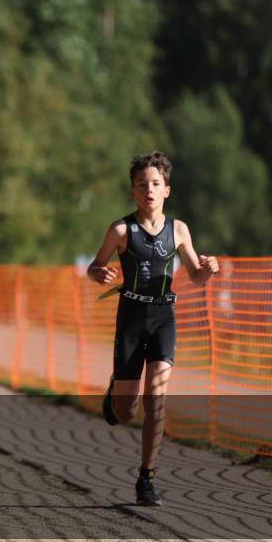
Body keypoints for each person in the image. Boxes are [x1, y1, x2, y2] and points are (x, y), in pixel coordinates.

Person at [87, 151, 219, 506]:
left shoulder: (179, 230)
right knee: (127, 411)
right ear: (133, 191)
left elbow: (196, 275)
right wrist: (99, 274)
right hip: (130, 318)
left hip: (163, 318)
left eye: (155, 184)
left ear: (167, 191)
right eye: (142, 184)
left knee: (156, 399)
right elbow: (94, 267)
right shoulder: (120, 230)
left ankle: (147, 478)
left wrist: (210, 266)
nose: (149, 190)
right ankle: (116, 393)